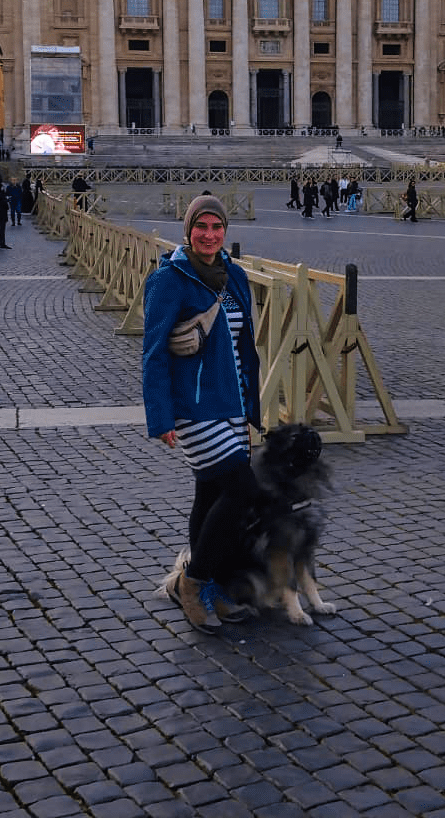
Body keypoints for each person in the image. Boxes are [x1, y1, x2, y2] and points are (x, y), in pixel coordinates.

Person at [141, 196, 263, 633]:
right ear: (188, 229)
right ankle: (192, 583)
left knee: (210, 496)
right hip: (193, 408)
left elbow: (242, 344)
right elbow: (153, 353)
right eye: (201, 227)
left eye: (217, 227)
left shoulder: (235, 275)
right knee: (242, 490)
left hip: (231, 404)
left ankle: (209, 586)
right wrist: (161, 417)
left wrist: (251, 403)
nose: (209, 235)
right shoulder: (168, 280)